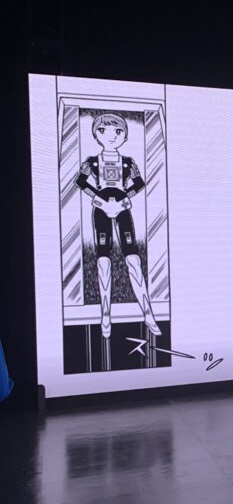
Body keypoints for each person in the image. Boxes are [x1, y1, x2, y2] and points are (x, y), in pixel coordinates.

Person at [74, 113, 160, 338]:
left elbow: (139, 183)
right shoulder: (92, 161)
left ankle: (147, 312)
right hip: (101, 208)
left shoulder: (128, 162)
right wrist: (98, 199)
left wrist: (124, 199)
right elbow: (80, 181)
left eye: (118, 131)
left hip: (122, 208)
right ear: (96, 134)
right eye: (104, 131)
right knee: (103, 259)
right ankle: (105, 314)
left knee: (133, 258)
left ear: (124, 136)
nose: (111, 136)